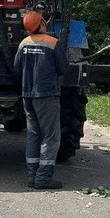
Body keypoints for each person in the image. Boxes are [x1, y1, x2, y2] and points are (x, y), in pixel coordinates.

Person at [13, 10, 68, 189]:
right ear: (42, 23)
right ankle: (43, 178)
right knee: (51, 136)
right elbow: (63, 68)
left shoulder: (23, 44)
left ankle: (32, 176)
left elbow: (17, 69)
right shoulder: (53, 43)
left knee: (33, 134)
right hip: (46, 95)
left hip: (27, 95)